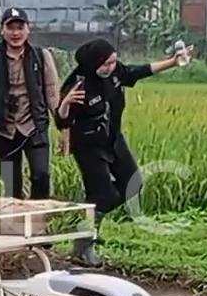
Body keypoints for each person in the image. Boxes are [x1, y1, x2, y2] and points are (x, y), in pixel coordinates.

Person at [55, 37, 191, 266]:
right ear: (93, 64)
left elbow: (138, 71)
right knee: (102, 196)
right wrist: (65, 103)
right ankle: (84, 246)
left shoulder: (116, 72)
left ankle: (82, 216)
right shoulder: (78, 86)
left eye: (113, 62)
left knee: (133, 183)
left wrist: (172, 62)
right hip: (89, 146)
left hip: (113, 139)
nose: (111, 68)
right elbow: (61, 121)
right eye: (105, 64)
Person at [0, 7, 63, 201]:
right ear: (2, 30)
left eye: (20, 28)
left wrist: (64, 129)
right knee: (11, 184)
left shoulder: (41, 55)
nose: (15, 33)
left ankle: (39, 220)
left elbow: (52, 94)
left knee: (41, 176)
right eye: (10, 28)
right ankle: (15, 225)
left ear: (27, 30)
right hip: (4, 129)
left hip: (34, 126)